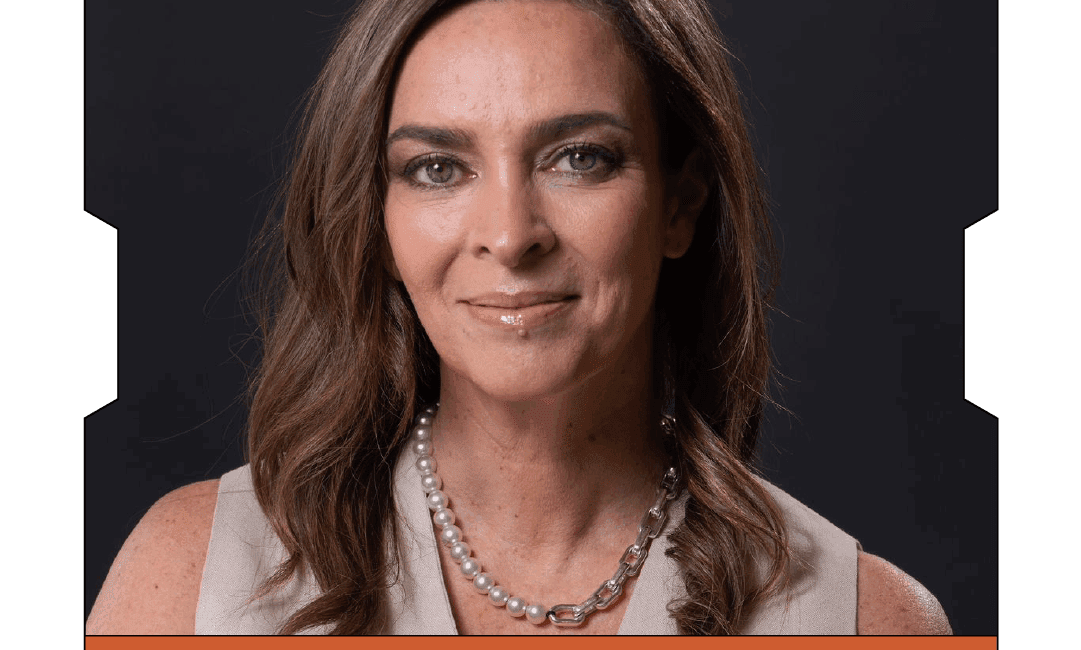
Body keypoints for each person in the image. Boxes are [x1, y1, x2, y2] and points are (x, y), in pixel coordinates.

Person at [87, 0, 952, 635]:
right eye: (436, 167)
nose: (508, 236)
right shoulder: (191, 578)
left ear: (680, 206)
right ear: (375, 221)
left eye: (579, 158)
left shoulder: (863, 619)